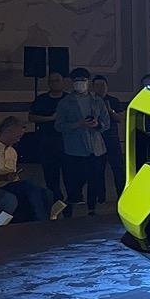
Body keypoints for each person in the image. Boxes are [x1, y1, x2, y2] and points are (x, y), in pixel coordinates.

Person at [0, 116, 63, 222]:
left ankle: (46, 217)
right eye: (17, 136)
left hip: (9, 184)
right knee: (28, 188)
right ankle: (42, 221)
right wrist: (4, 177)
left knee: (45, 193)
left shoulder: (12, 152)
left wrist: (12, 177)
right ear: (8, 131)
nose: (18, 140)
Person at [55, 67, 110, 216]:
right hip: (75, 148)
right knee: (75, 181)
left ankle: (92, 208)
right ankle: (71, 207)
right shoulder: (65, 103)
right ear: (72, 83)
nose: (80, 83)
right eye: (77, 81)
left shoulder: (97, 100)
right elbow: (59, 126)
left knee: (95, 180)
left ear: (88, 82)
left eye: (83, 80)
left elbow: (106, 123)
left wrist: (97, 124)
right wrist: (78, 124)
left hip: (96, 148)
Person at [28, 71, 68, 202]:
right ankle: (55, 198)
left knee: (69, 173)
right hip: (47, 141)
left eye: (57, 80)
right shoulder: (41, 99)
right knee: (50, 174)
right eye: (52, 81)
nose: (54, 83)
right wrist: (51, 118)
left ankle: (71, 198)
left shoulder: (69, 99)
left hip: (67, 141)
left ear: (63, 82)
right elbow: (32, 117)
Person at [91, 75, 126, 199]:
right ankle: (101, 198)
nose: (100, 88)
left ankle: (122, 196)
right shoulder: (91, 101)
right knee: (98, 170)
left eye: (103, 85)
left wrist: (110, 110)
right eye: (97, 85)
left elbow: (120, 119)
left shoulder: (113, 100)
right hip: (96, 139)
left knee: (118, 169)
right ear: (93, 87)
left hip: (112, 139)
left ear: (107, 86)